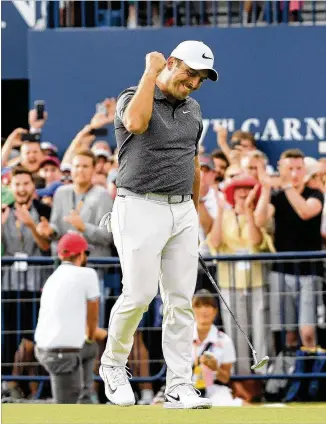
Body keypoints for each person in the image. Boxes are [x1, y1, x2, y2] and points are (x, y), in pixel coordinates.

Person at [100, 40, 218, 409]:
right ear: (171, 63)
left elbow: (193, 161)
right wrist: (150, 71)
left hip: (182, 211)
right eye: (190, 73)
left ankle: (180, 384)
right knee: (138, 294)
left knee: (180, 301)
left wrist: (193, 215)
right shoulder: (133, 95)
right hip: (138, 205)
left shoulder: (194, 109)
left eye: (201, 78)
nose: (195, 82)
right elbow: (136, 122)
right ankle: (113, 365)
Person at [206, 175, 274, 375]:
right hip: (230, 283)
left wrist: (248, 213)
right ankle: (240, 376)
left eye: (248, 188)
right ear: (231, 193)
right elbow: (215, 243)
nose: (243, 193)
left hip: (256, 282)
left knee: (261, 330)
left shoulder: (261, 215)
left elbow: (256, 241)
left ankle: (264, 377)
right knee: (235, 331)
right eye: (239, 189)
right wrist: (219, 212)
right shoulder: (224, 215)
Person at [258, 149, 324, 351]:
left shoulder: (315, 194)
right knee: (289, 333)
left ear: (305, 170)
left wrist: (285, 184)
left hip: (310, 273)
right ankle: (291, 377)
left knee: (308, 332)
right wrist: (266, 187)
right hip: (281, 271)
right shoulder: (277, 196)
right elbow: (260, 219)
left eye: (298, 168)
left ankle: (312, 378)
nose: (294, 174)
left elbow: (305, 211)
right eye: (289, 169)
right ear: (281, 169)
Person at [1, 166, 51, 399]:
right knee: (9, 337)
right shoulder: (3, 212)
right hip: (9, 286)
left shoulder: (43, 211)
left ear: (33, 186)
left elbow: (46, 247)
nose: (21, 189)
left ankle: (33, 388)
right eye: (17, 184)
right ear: (11, 187)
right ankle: (8, 386)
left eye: (25, 184)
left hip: (36, 286)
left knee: (36, 338)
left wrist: (31, 224)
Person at [34, 232, 100, 403]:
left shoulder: (53, 277)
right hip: (60, 353)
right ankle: (82, 398)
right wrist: (91, 336)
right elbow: (93, 318)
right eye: (86, 253)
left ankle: (85, 398)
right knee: (65, 410)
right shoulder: (87, 274)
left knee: (90, 349)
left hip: (43, 347)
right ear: (79, 255)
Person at [36, 150, 114, 258]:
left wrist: (84, 227)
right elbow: (56, 227)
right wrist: (50, 230)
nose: (80, 170)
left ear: (94, 169)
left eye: (85, 166)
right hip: (64, 260)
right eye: (77, 166)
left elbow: (108, 236)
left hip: (93, 263)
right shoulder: (60, 192)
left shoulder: (103, 195)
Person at [192, 289, 246, 406]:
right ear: (192, 310)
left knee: (227, 405)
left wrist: (215, 368)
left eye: (207, 306)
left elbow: (226, 378)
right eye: (198, 306)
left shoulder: (224, 340)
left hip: (214, 388)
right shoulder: (182, 338)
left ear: (215, 311)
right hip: (187, 388)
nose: (204, 311)